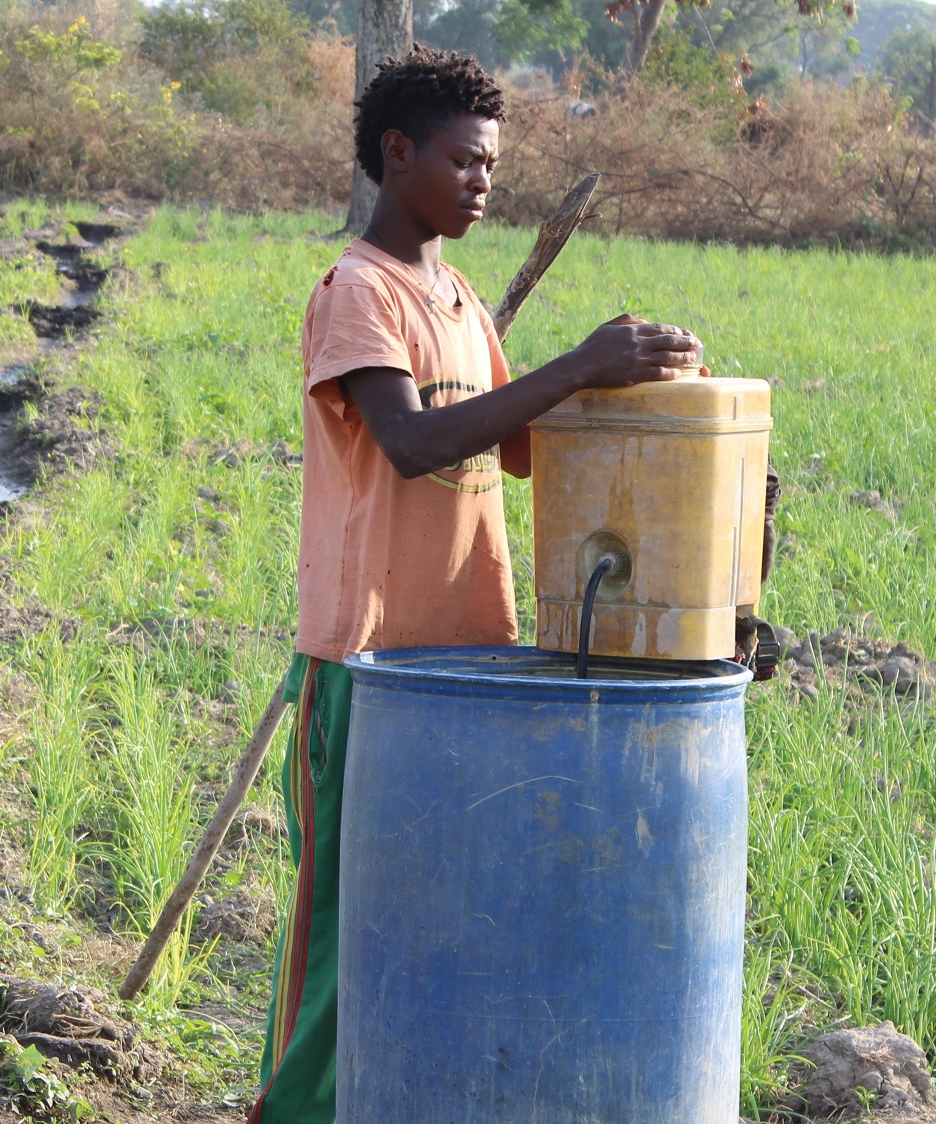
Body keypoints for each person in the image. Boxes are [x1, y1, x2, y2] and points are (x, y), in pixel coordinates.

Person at [249, 45, 704, 1124]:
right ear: (396, 153)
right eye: (464, 161)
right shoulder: (358, 291)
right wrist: (574, 366)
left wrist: (665, 427)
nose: (483, 183)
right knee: (340, 929)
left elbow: (515, 451)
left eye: (492, 165)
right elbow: (409, 441)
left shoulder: (456, 300)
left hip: (464, 663)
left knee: (433, 917)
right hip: (363, 662)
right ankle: (292, 1110)